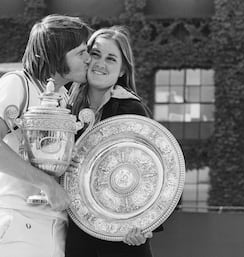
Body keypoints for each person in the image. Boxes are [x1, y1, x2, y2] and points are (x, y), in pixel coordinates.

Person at [0, 14, 91, 257]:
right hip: (16, 221)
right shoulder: (17, 83)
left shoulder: (64, 98)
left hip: (52, 224)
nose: (88, 59)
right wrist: (46, 183)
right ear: (57, 54)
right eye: (80, 52)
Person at [66, 26, 162, 257]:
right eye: (96, 54)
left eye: (111, 59)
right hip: (77, 233)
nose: (101, 63)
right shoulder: (63, 104)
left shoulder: (132, 109)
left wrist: (144, 226)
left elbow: (157, 170)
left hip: (122, 239)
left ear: (122, 70)